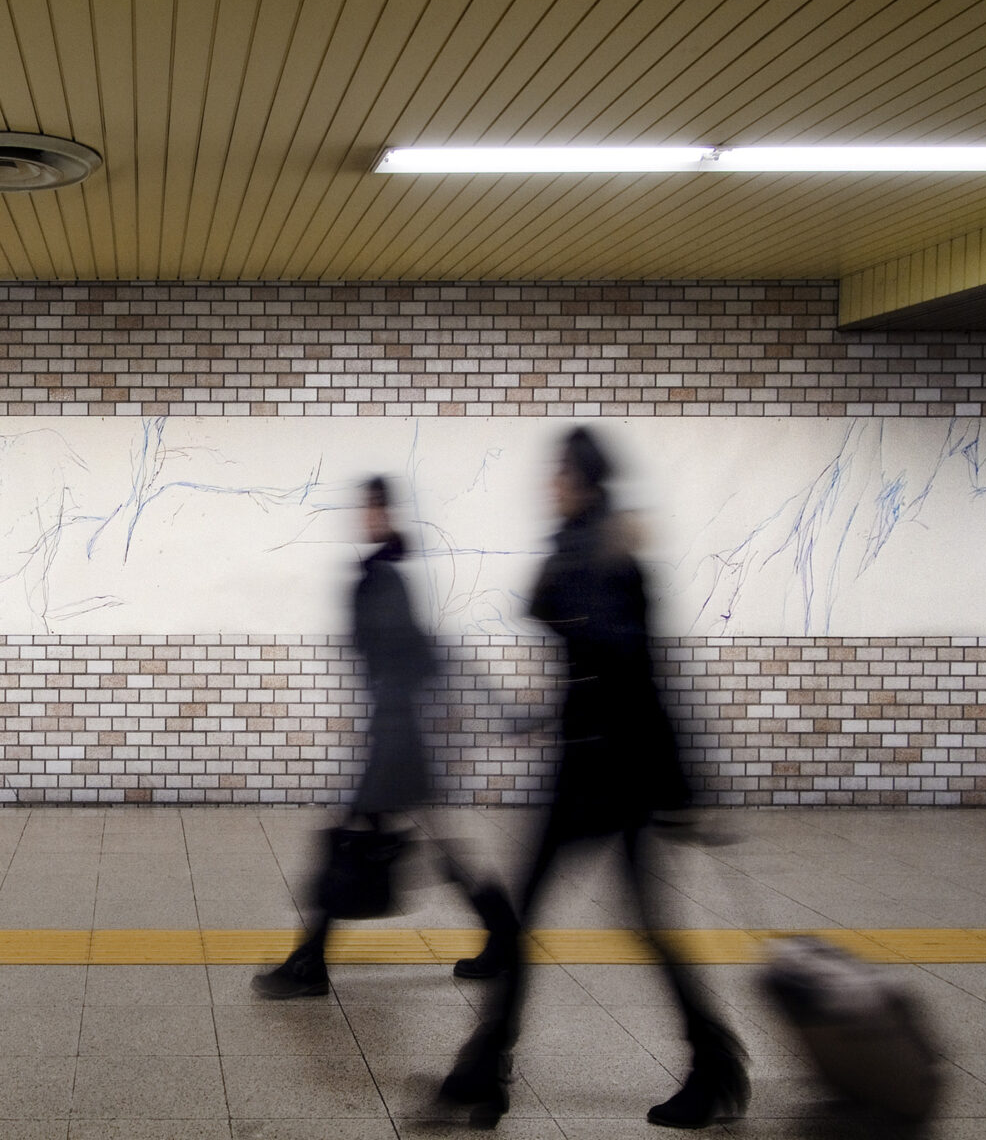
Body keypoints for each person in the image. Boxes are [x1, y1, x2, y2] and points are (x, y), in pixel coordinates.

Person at [439, 426, 749, 1129]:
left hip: (613, 772)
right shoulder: (585, 545)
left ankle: (712, 1069)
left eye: (557, 472)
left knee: (618, 924)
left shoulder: (608, 555)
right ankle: (487, 1068)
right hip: (588, 765)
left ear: (580, 479)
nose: (548, 482)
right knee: (580, 923)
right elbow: (554, 617)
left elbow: (637, 672)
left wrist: (681, 788)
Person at [251, 475, 444, 999]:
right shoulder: (383, 573)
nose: (367, 517)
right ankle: (502, 933)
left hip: (396, 736)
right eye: (365, 509)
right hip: (396, 731)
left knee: (346, 843)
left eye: (374, 509)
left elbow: (410, 653)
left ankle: (310, 963)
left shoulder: (384, 577)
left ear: (387, 513)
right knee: (437, 846)